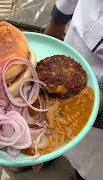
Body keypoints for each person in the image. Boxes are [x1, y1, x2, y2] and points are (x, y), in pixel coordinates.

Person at [44, 1, 103, 180]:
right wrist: (57, 21)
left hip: (98, 126)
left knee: (90, 167)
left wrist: (89, 103)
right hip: (72, 50)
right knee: (49, 132)